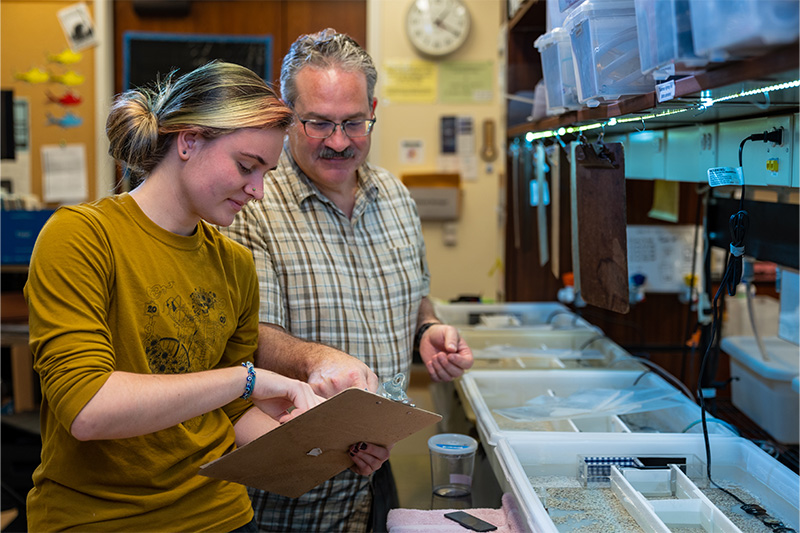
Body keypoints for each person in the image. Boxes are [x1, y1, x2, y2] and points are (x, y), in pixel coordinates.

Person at [23, 61, 332, 532]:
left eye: (267, 172)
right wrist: (247, 380)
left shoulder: (236, 266)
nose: (258, 190)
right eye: (247, 167)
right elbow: (87, 409)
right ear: (188, 141)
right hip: (101, 520)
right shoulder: (81, 237)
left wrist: (326, 446)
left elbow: (228, 416)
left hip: (221, 517)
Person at [220, 29, 474, 532]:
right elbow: (250, 340)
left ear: (373, 109)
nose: (339, 142)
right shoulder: (253, 203)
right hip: (286, 486)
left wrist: (428, 332)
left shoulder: (395, 198)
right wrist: (318, 359)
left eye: (354, 122)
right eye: (319, 123)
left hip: (373, 471)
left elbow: (416, 299)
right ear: (287, 113)